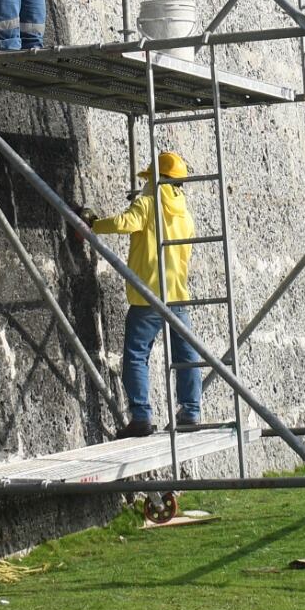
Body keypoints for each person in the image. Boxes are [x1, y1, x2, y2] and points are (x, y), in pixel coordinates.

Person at [91, 152, 201, 438]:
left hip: (147, 297)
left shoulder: (148, 204)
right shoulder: (185, 215)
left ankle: (141, 416)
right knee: (186, 356)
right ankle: (190, 411)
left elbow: (124, 223)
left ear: (154, 179)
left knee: (137, 357)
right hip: (177, 295)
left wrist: (92, 224)